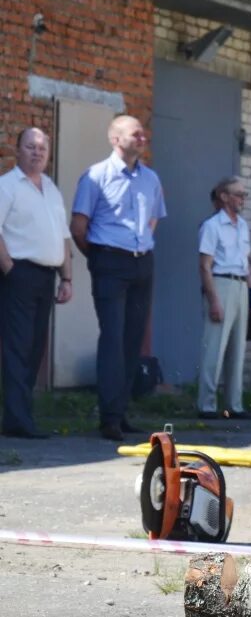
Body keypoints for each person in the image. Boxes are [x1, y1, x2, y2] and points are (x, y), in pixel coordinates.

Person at [70, 115, 167, 441]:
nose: (143, 138)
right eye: (135, 133)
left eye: (143, 133)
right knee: (112, 339)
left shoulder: (150, 179)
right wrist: (101, 259)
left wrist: (137, 247)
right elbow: (79, 228)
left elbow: (153, 220)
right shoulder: (96, 177)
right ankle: (109, 417)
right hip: (109, 262)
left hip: (142, 264)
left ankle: (121, 412)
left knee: (132, 340)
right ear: (115, 139)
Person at [0, 127, 74, 438]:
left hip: (46, 277)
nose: (37, 152)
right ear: (18, 151)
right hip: (19, 275)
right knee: (17, 348)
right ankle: (18, 421)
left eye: (42, 148)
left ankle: (21, 416)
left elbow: (64, 237)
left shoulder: (52, 190)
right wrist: (9, 268)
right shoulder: (7, 186)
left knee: (34, 349)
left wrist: (67, 277)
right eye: (30, 147)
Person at [197, 177, 251, 420]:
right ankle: (206, 405)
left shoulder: (242, 225)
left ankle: (234, 404)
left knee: (238, 348)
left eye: (244, 194)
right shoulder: (212, 226)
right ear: (224, 196)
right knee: (214, 348)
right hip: (221, 283)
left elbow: (247, 261)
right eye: (239, 194)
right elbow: (204, 265)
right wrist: (214, 300)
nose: (243, 199)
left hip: (241, 285)